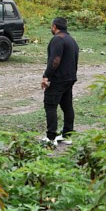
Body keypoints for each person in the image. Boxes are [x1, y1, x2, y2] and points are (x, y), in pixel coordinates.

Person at [41, 17, 79, 147]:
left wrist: (46, 76)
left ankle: (51, 137)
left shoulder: (58, 39)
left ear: (54, 26)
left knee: (50, 105)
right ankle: (67, 135)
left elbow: (55, 60)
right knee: (67, 106)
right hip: (70, 78)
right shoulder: (72, 40)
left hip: (59, 79)